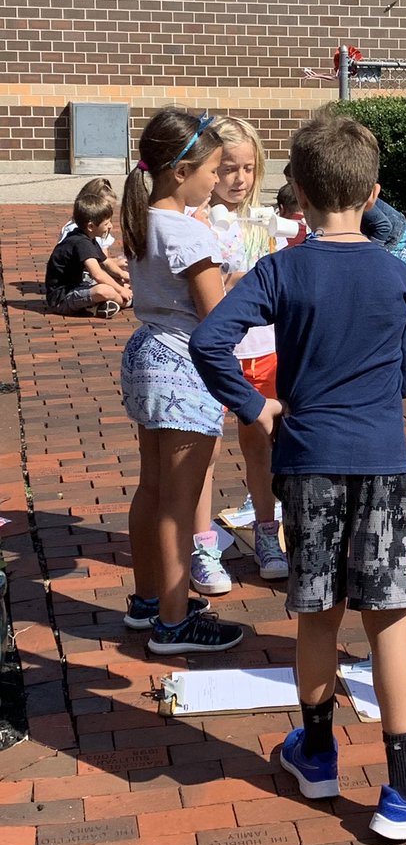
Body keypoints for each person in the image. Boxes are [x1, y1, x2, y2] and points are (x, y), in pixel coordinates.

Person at [190, 115, 406, 841]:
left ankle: (316, 754)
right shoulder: (392, 272)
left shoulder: (282, 268)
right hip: (379, 459)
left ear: (299, 194)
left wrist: (255, 405)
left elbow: (209, 340)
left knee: (316, 613)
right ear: (373, 192)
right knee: (387, 618)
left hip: (307, 461)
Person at [119, 108, 244, 653]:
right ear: (180, 173)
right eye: (212, 170)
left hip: (148, 356)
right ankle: (174, 622)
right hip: (186, 366)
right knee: (180, 498)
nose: (216, 180)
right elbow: (215, 318)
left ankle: (149, 601)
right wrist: (249, 284)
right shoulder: (190, 232)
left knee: (152, 488)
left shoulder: (141, 219)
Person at [192, 116, 289, 588]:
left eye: (248, 168)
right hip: (215, 355)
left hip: (265, 352)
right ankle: (202, 544)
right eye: (228, 167)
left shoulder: (267, 221)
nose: (239, 178)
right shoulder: (198, 224)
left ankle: (267, 532)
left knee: (261, 447)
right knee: (203, 452)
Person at [45, 192, 132, 318]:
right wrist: (121, 291)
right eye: (106, 223)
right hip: (61, 299)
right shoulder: (81, 243)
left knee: (120, 282)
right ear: (91, 226)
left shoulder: (87, 238)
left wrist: (125, 275)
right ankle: (130, 302)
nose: (110, 226)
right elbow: (97, 274)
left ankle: (104, 305)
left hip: (78, 286)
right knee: (105, 290)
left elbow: (106, 262)